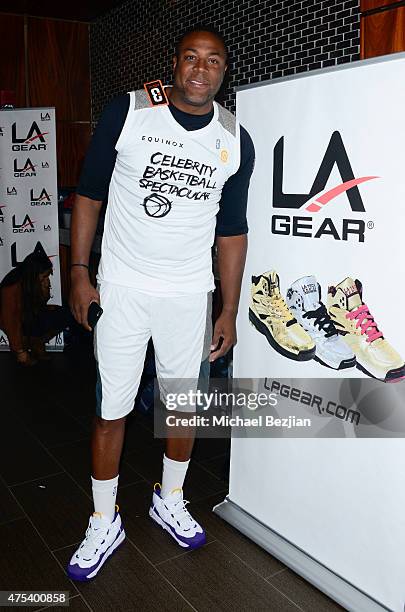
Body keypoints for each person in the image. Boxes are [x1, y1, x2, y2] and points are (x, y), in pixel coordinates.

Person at [67, 25, 255, 581]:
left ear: (225, 72)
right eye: (192, 58)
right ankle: (104, 518)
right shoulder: (129, 111)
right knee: (111, 409)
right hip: (123, 289)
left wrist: (227, 307)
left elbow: (233, 228)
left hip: (188, 295)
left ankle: (169, 498)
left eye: (213, 61)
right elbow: (89, 193)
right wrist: (79, 273)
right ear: (175, 63)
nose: (201, 70)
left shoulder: (233, 136)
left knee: (184, 406)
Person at [0, 244, 73, 365]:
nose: (47, 279)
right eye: (44, 276)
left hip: (28, 317)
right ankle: (27, 343)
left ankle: (37, 342)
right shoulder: (12, 287)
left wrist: (45, 299)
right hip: (16, 325)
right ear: (34, 273)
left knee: (66, 311)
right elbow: (11, 321)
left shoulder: (31, 282)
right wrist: (20, 352)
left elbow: (35, 306)